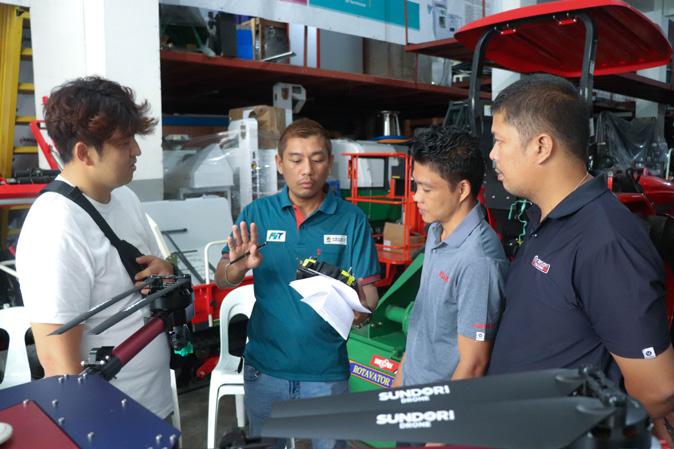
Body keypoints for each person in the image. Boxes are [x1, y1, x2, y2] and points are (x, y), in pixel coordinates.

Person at [488, 74, 674, 442]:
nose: (492, 154)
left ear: (541, 146)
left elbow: (658, 389)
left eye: (499, 140)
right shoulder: (545, 219)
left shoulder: (606, 242)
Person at [214, 118, 380, 449]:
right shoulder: (258, 214)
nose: (307, 170)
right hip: (266, 369)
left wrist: (362, 312)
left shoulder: (352, 220)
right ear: (279, 163)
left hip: (326, 372)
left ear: (329, 162)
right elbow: (222, 278)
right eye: (296, 159)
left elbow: (369, 294)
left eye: (317, 159)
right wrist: (238, 266)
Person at [16, 76, 175, 419]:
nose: (136, 151)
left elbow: (146, 284)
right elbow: (58, 362)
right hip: (112, 423)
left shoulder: (125, 198)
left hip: (155, 406)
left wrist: (164, 273)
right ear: (83, 153)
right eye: (125, 142)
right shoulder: (56, 226)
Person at [392, 127, 507, 388]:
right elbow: (420, 332)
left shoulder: (478, 261)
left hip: (437, 403)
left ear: (462, 189)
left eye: (427, 189)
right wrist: (397, 390)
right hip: (410, 390)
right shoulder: (436, 232)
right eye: (416, 185)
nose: (416, 197)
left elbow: (473, 364)